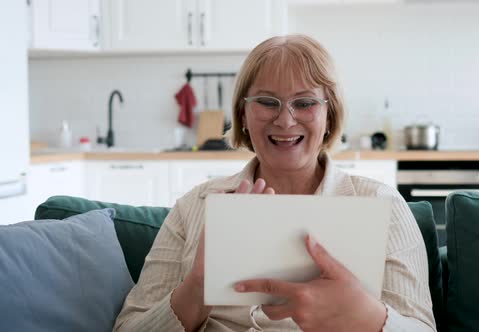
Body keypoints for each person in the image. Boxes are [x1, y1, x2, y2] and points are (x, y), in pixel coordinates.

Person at [114, 34, 436, 332]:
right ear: (242, 114)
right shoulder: (194, 207)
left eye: (305, 103)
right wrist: (197, 286)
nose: (284, 120)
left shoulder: (381, 205)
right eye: (267, 102)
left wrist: (368, 316)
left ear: (330, 117)